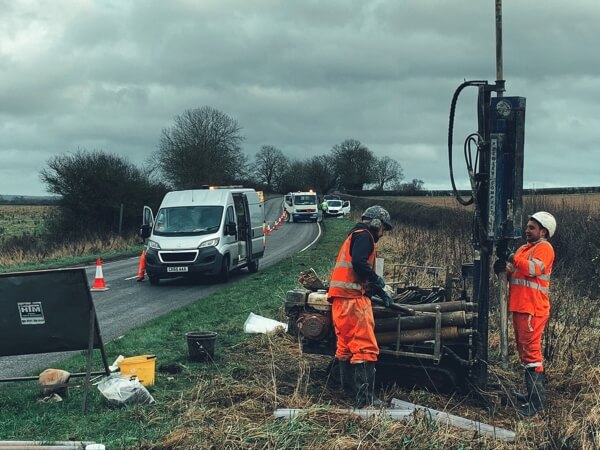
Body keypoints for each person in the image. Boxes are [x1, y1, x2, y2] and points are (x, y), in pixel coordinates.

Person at [327, 205, 394, 407]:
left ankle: (349, 393)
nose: (382, 234)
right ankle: (366, 400)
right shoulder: (365, 236)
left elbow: (357, 271)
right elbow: (359, 264)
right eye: (383, 228)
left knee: (345, 347)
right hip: (353, 301)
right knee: (365, 348)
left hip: (340, 301)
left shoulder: (353, 236)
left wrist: (380, 292)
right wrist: (377, 278)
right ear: (376, 223)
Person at [495, 211, 556, 417]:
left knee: (532, 354)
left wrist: (511, 257)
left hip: (533, 309)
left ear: (543, 231)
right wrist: (503, 267)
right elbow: (515, 270)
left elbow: (532, 269)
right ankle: (531, 395)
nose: (527, 230)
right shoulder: (524, 248)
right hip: (520, 307)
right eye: (527, 226)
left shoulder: (544, 248)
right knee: (524, 353)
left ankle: (536, 403)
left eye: (532, 227)